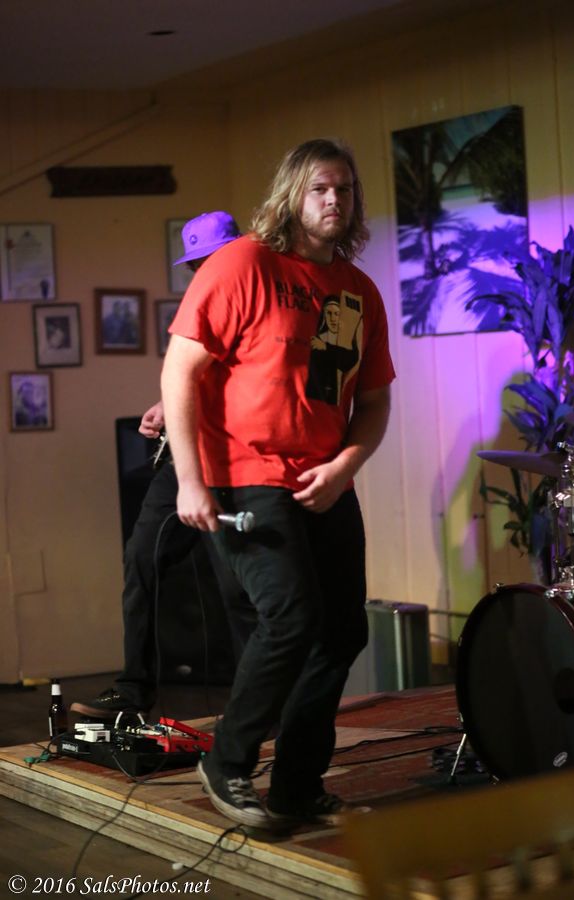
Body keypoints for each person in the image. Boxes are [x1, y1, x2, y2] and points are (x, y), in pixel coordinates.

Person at [161, 139, 395, 830]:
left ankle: (297, 785)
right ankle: (228, 760)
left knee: (342, 632)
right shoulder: (244, 264)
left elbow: (373, 402)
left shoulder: (358, 290)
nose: (334, 200)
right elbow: (180, 372)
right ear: (293, 194)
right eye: (321, 187)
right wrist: (190, 482)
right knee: (291, 617)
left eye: (344, 189)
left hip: (324, 480)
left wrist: (345, 466)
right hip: (245, 474)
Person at [71, 212, 256, 720]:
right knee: (141, 559)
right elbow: (191, 376)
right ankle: (133, 690)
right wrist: (162, 407)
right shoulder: (201, 303)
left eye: (208, 260)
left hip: (234, 462)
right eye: (195, 264)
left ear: (235, 252)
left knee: (237, 588)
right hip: (183, 456)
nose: (201, 270)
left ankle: (258, 705)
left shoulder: (253, 300)